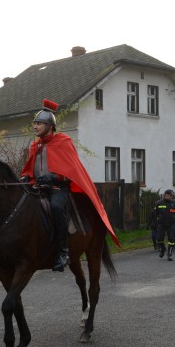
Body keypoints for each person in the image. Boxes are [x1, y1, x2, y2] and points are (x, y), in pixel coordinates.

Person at [20, 99, 119, 271]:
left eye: (39, 123)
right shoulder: (34, 145)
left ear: (50, 126)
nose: (35, 127)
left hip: (58, 189)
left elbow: (71, 170)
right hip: (38, 188)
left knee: (57, 207)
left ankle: (63, 251)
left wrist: (53, 177)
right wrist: (26, 178)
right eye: (34, 123)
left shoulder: (63, 141)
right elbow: (31, 169)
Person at [154, 189, 175, 261]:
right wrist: (157, 221)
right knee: (159, 239)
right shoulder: (159, 203)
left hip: (171, 224)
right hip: (162, 224)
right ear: (166, 195)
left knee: (171, 239)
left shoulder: (174, 203)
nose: (172, 197)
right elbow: (156, 213)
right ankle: (163, 249)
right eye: (171, 195)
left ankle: (169, 254)